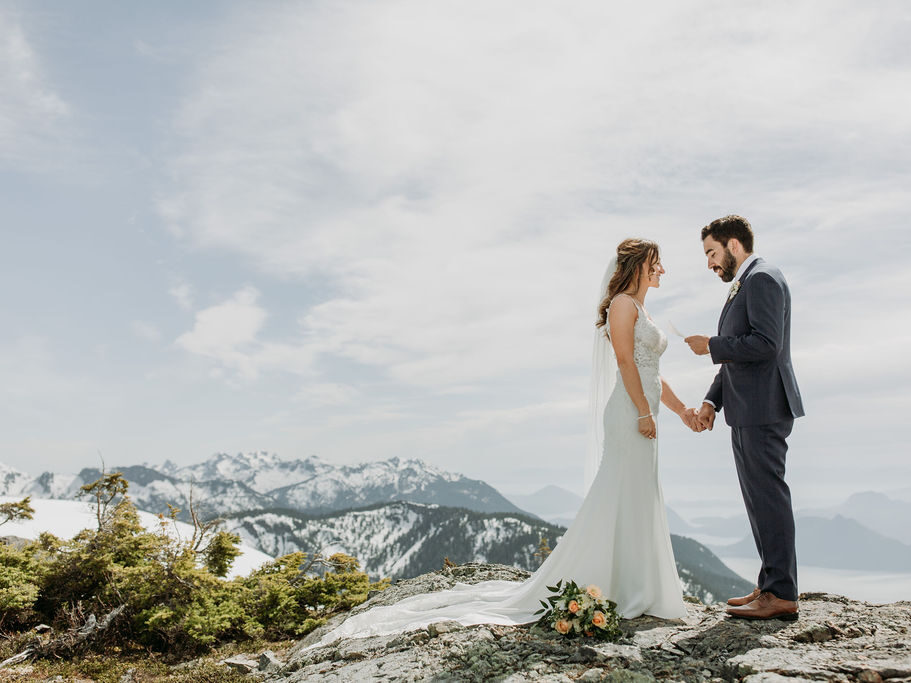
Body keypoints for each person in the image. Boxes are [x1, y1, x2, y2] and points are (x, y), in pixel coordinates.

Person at [307, 239, 699, 645]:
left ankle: (638, 584)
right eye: (657, 263)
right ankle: (617, 583)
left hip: (644, 414)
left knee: (639, 494)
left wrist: (682, 410)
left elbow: (652, 372)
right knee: (620, 492)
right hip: (630, 416)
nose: (662, 270)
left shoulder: (642, 310)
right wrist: (641, 411)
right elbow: (624, 362)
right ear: (638, 266)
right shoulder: (622, 305)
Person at [683, 215, 805, 621]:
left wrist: (711, 344)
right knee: (758, 500)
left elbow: (766, 345)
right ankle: (770, 585)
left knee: (768, 498)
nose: (709, 264)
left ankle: (782, 593)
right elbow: (738, 357)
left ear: (734, 246)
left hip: (764, 408)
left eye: (712, 253)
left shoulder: (762, 279)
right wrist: (711, 402)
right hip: (747, 409)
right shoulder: (746, 283)